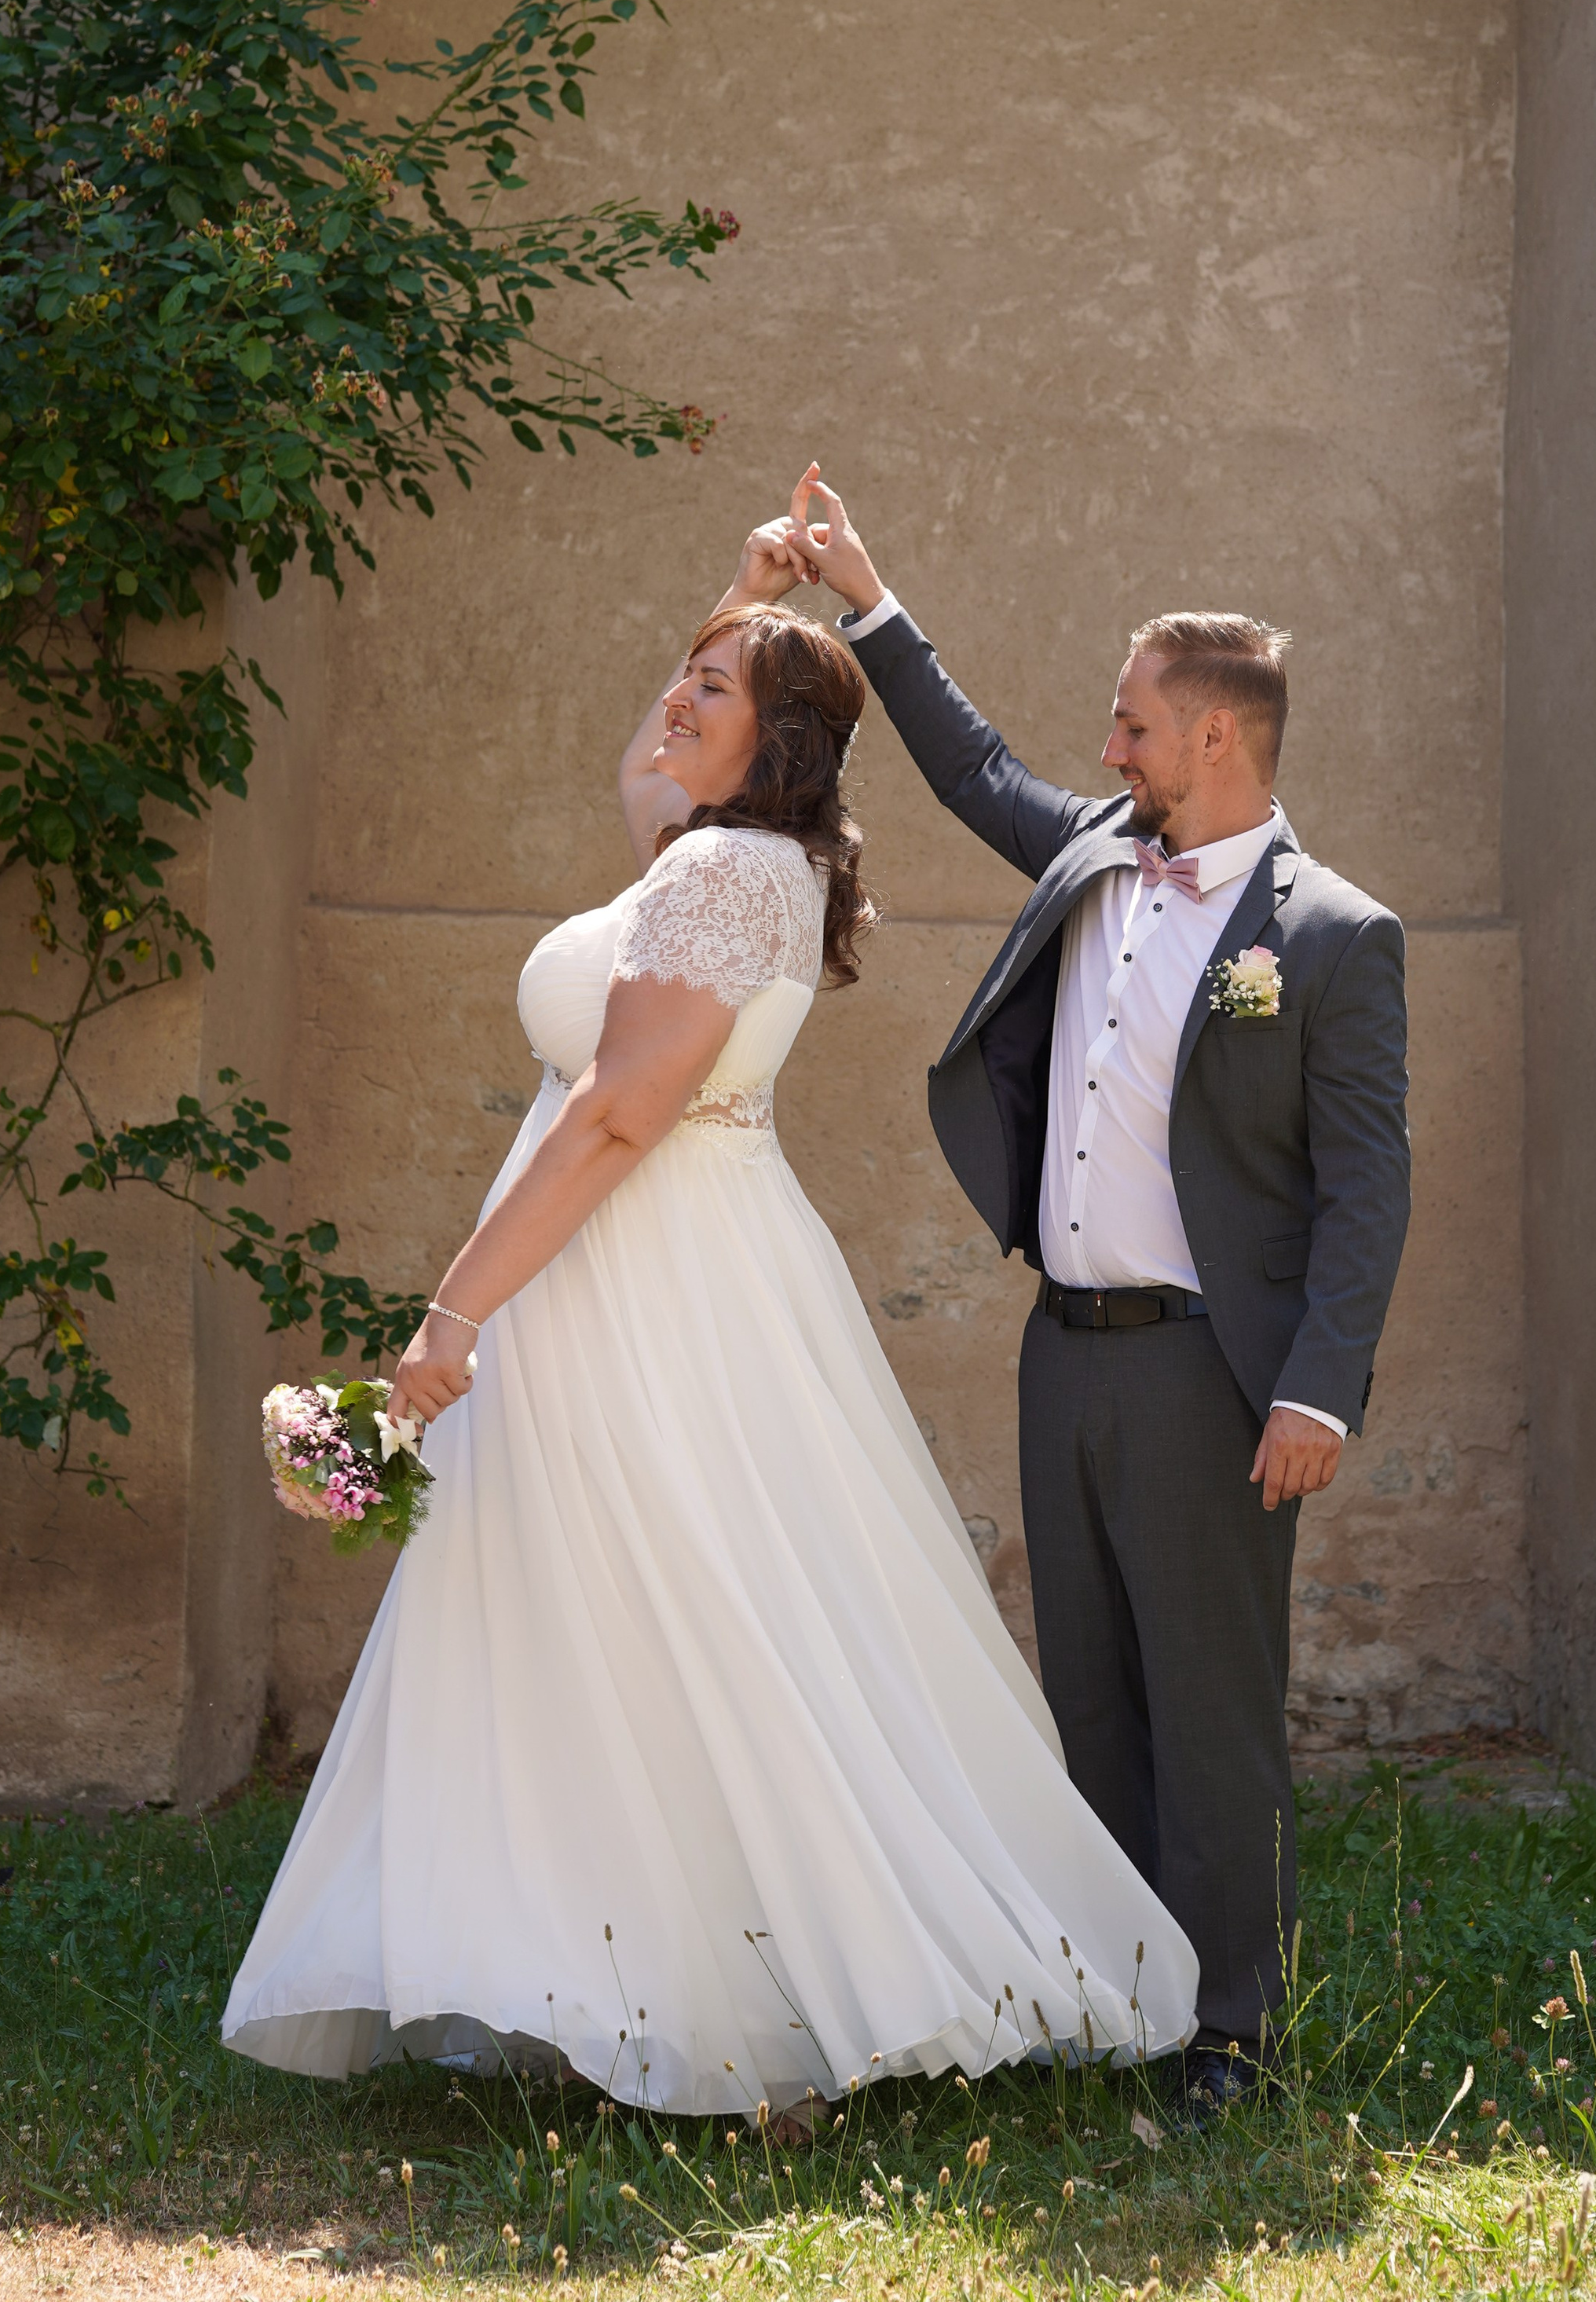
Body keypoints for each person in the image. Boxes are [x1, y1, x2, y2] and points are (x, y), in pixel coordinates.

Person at [221, 550, 1199, 2114]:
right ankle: (607, 1961)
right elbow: (638, 769)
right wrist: (736, 605)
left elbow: (616, 1113)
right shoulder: (726, 855)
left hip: (642, 1280)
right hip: (633, 1262)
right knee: (604, 1607)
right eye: (682, 671)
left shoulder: (722, 875)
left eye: (713, 687)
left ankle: (749, 1999)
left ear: (785, 741)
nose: (674, 700)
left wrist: (452, 1312)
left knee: (684, 1602)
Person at [756, 467, 1411, 2109]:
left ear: (1215, 739)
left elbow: (1365, 1189)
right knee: (1092, 1699)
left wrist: (1314, 1388)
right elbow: (977, 769)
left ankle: (1230, 2030)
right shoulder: (1092, 858)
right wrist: (869, 600)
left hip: (1213, 1378)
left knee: (1212, 1711)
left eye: (1130, 726)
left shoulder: (1330, 937)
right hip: (1066, 1353)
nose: (1105, 749)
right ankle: (1117, 1999)